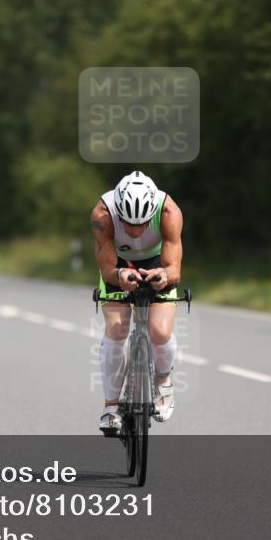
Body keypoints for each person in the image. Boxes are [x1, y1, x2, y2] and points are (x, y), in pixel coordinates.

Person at [90, 171, 183, 435]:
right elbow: (107, 268)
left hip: (158, 263)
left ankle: (163, 381)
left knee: (160, 331)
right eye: (129, 223)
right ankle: (111, 407)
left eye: (142, 224)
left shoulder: (169, 213)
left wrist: (164, 275)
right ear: (118, 212)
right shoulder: (102, 215)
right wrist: (119, 275)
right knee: (118, 329)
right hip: (118, 264)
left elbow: (174, 268)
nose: (135, 230)